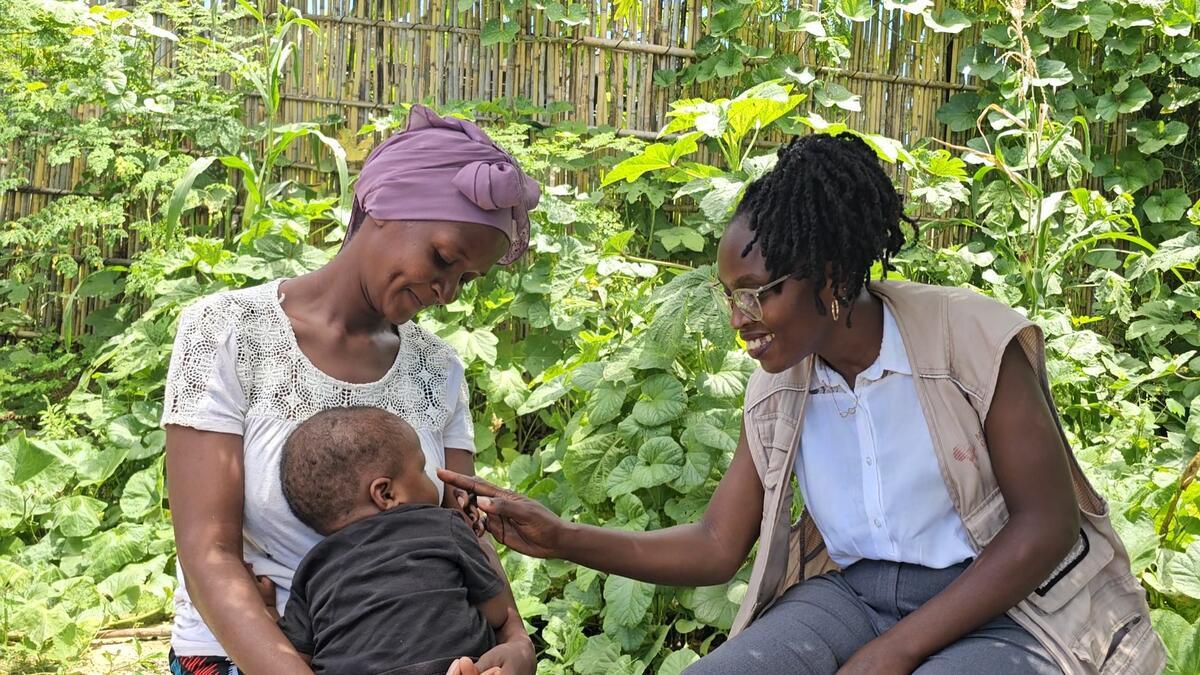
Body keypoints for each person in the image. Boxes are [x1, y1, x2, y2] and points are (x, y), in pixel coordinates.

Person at [439, 133, 1166, 674]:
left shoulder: (970, 340)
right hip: (852, 598)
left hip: (1005, 608)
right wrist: (562, 535)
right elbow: (717, 545)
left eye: (761, 291)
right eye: (730, 294)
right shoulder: (781, 383)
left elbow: (1045, 526)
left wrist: (895, 651)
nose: (741, 316)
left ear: (830, 274)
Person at [162, 105, 540, 675]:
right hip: (246, 655)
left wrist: (514, 639)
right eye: (442, 259)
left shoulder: (438, 370)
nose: (447, 292)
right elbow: (207, 551)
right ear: (385, 205)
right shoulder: (227, 330)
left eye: (465, 280)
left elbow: (459, 528)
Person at [276, 406, 510, 675]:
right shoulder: (442, 525)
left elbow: (297, 653)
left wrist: (269, 606)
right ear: (385, 493)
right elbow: (496, 613)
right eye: (422, 469)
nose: (431, 480)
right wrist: (483, 552)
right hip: (450, 668)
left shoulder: (312, 569)